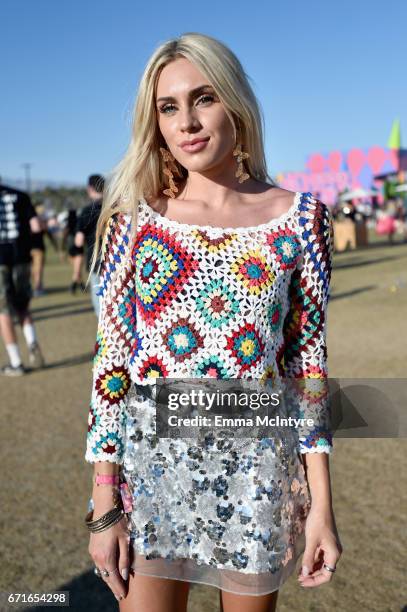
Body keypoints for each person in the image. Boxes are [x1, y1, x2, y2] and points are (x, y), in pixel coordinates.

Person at [84, 33, 342, 611]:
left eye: (203, 98)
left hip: (257, 475)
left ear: (235, 103)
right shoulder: (135, 222)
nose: (187, 122)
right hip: (153, 473)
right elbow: (113, 368)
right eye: (168, 107)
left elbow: (309, 370)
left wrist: (322, 505)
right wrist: (105, 502)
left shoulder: (303, 221)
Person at [0, 182, 45, 375]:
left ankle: (16, 362)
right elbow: (35, 227)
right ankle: (32, 342)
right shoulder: (21, 195)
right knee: (23, 306)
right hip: (21, 257)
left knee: (4, 311)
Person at [74, 174, 105, 316]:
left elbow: (78, 241)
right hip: (118, 259)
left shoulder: (87, 211)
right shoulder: (116, 207)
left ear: (90, 189)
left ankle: (104, 334)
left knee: (99, 300)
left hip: (96, 262)